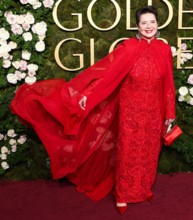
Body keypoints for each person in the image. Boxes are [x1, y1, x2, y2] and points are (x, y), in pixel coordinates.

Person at [10, 6, 175, 215]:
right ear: (137, 26)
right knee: (128, 151)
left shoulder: (164, 49)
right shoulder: (128, 48)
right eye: (144, 23)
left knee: (150, 152)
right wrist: (87, 95)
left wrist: (170, 114)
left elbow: (168, 83)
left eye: (152, 22)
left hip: (155, 111)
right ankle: (123, 195)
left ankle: (143, 190)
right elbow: (108, 75)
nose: (149, 26)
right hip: (131, 110)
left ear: (158, 24)